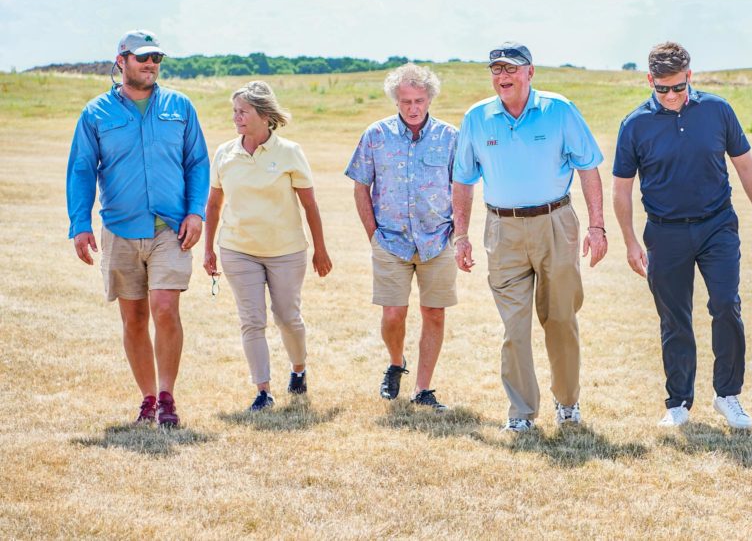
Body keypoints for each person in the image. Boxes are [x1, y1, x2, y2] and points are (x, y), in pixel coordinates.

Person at [612, 41, 752, 430]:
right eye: (661, 89)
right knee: (674, 319)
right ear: (649, 81)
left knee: (725, 304)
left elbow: (746, 168)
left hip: (717, 225)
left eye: (678, 87)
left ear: (690, 75)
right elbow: (621, 189)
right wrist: (630, 241)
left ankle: (727, 395)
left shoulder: (717, 111)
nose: (670, 96)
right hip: (665, 233)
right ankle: (679, 402)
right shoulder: (634, 125)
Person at [452, 42, 607, 432]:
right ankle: (521, 412)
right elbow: (463, 180)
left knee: (560, 319)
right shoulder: (476, 117)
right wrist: (461, 236)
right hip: (502, 229)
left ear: (530, 72)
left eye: (511, 69)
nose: (503, 77)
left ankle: (568, 402)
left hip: (555, 223)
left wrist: (597, 226)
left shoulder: (560, 110)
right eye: (496, 70)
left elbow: (589, 168)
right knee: (514, 327)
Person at [66, 30, 209, 427]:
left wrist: (196, 212)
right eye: (142, 58)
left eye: (156, 58)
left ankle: (167, 397)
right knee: (133, 318)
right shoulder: (96, 113)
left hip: (170, 227)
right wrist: (80, 223)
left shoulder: (179, 106)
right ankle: (147, 399)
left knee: (164, 307)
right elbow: (81, 170)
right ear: (122, 60)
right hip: (119, 228)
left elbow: (197, 162)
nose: (151, 65)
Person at [204, 81, 332, 412]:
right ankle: (262, 390)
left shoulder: (289, 152)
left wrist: (320, 249)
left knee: (287, 316)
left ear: (264, 115)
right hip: (237, 248)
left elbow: (310, 206)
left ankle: (298, 369)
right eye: (234, 111)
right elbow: (214, 205)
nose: (236, 118)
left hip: (286, 251)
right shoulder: (224, 153)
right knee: (252, 319)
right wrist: (208, 249)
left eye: (243, 111)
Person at [345, 63, 458, 412]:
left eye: (420, 100)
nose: (413, 107)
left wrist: (460, 230)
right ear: (396, 99)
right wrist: (373, 235)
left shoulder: (450, 137)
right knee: (394, 314)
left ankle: (423, 389)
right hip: (390, 241)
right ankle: (396, 362)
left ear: (429, 99)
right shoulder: (375, 135)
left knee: (434, 313)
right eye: (406, 100)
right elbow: (361, 186)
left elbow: (463, 187)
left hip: (437, 239)